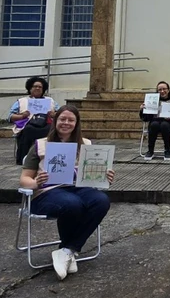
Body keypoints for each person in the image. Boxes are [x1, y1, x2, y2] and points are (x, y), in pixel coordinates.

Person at [18, 104, 114, 281]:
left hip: (79, 189)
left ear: (76, 123)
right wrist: (35, 182)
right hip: (47, 193)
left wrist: (103, 175)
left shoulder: (86, 144)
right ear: (55, 121)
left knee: (101, 200)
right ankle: (69, 250)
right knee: (72, 203)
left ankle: (67, 250)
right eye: (62, 119)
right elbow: (24, 178)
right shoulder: (41, 145)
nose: (66, 123)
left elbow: (92, 174)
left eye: (71, 120)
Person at [12, 76, 58, 165]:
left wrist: (54, 114)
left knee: (50, 130)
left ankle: (48, 157)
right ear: (30, 88)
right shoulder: (21, 101)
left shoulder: (50, 101)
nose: (37, 88)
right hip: (27, 125)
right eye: (35, 86)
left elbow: (60, 113)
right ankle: (24, 157)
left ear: (43, 89)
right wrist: (22, 116)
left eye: (40, 87)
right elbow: (10, 117)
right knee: (29, 130)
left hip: (46, 124)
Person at [139, 81, 170, 160]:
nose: (162, 91)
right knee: (154, 125)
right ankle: (150, 150)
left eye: (164, 89)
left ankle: (167, 150)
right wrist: (142, 110)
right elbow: (145, 118)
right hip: (155, 122)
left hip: (168, 124)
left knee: (164, 125)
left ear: (168, 90)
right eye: (160, 90)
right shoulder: (151, 101)